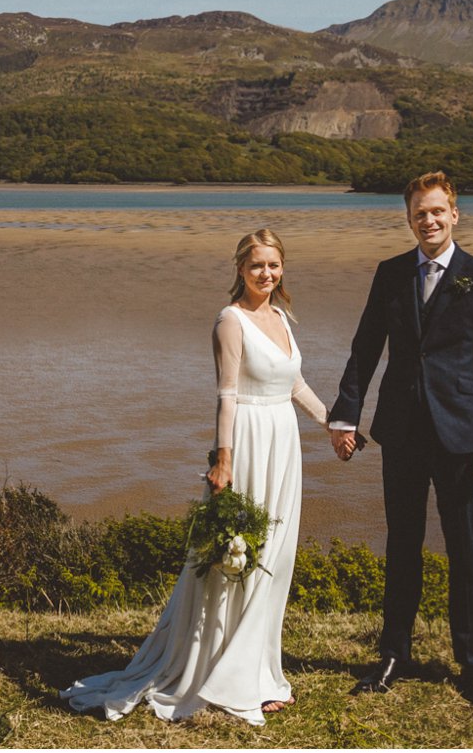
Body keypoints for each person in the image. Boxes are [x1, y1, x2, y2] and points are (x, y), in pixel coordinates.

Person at [61, 229, 331, 726]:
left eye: (273, 265)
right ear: (239, 269)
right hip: (249, 440)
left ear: (283, 267)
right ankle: (221, 672)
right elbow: (227, 394)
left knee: (276, 553)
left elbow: (293, 382)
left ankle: (260, 669)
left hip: (284, 444)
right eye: (256, 266)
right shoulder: (230, 321)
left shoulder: (281, 318)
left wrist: (331, 424)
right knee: (238, 555)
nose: (266, 274)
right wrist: (224, 460)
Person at [327, 171, 473, 705]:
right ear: (408, 218)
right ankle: (392, 655)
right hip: (402, 430)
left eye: (436, 211)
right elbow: (365, 349)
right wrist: (346, 417)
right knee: (401, 544)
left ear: (455, 214)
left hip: (461, 434)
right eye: (418, 213)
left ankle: (471, 665)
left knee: (466, 550)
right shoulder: (390, 274)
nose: (427, 221)